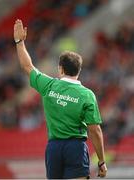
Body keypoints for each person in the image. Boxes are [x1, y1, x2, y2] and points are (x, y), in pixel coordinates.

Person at [14, 19, 107, 179]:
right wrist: (101, 161)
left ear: (61, 69)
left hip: (54, 148)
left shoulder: (48, 85)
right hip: (75, 147)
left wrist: (19, 42)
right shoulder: (87, 95)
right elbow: (95, 130)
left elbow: (27, 66)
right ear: (78, 70)